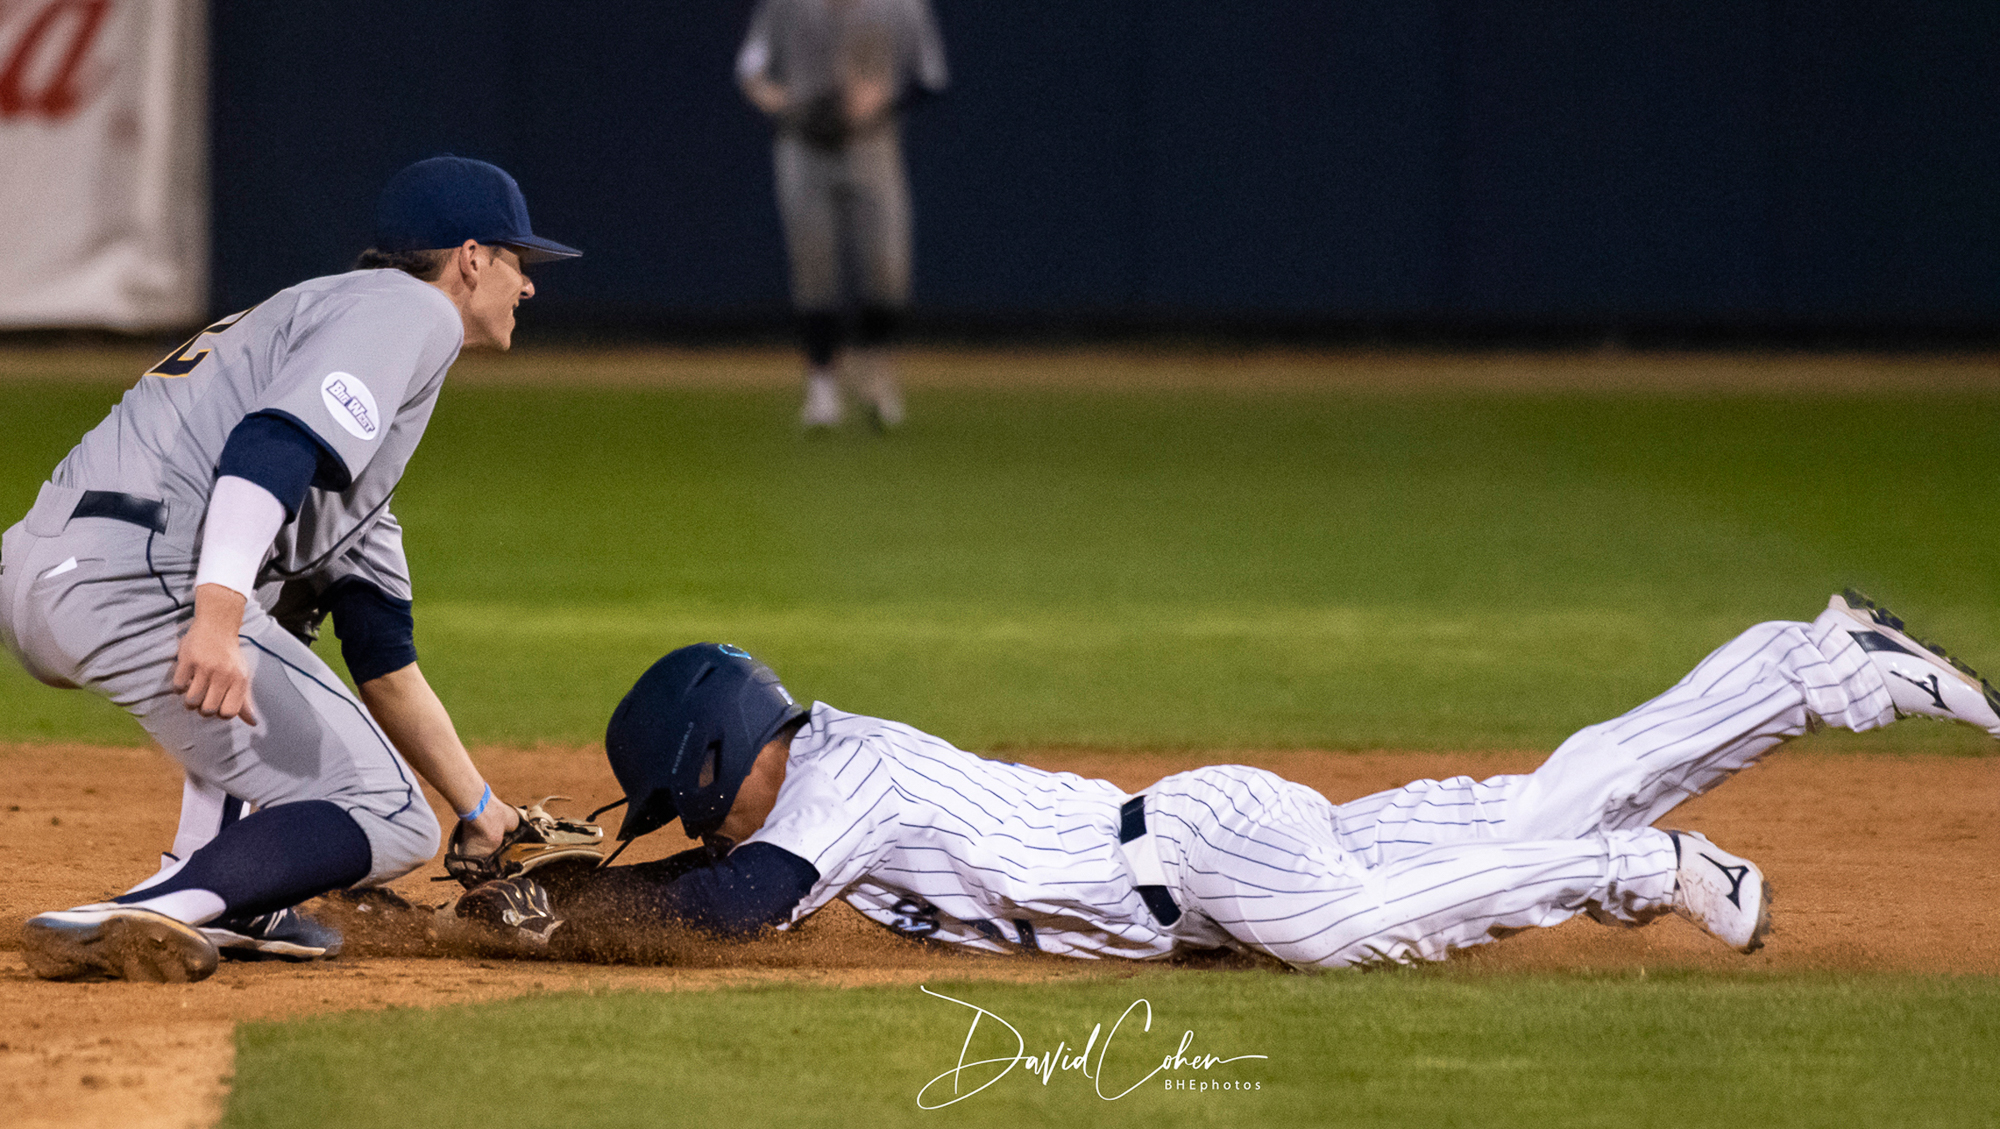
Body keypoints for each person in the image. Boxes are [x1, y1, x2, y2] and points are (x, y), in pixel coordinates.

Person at [461, 592, 2000, 968]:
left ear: (718, 756)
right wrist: (569, 893)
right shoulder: (833, 768)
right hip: (1211, 842)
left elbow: (735, 903)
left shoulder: (835, 782)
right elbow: (726, 876)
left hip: (1205, 859)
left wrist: (558, 912)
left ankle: (1647, 871)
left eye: (687, 795)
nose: (696, 819)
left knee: (1344, 934)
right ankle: (1819, 665)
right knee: (1542, 800)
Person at [1, 155, 581, 983]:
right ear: (469, 257)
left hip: (48, 561)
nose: (528, 284)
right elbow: (268, 444)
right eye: (518, 260)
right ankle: (156, 907)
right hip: (139, 573)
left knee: (281, 619)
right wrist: (215, 618)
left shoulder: (332, 332)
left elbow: (384, 659)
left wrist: (484, 810)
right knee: (393, 816)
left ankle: (233, 898)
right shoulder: (411, 309)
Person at [736, 0, 948, 431]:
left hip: (872, 147)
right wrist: (780, 101)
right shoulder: (786, 5)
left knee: (888, 271)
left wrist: (881, 100)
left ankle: (873, 364)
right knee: (814, 269)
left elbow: (930, 77)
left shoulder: (901, 6)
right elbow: (750, 70)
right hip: (803, 147)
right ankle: (822, 384)